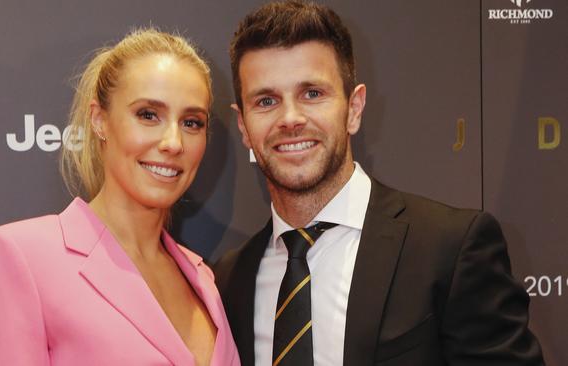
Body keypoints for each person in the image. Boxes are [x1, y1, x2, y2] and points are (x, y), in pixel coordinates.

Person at [214, 1, 545, 365]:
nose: (290, 118)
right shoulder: (230, 281)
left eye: (313, 94)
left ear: (354, 108)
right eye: (266, 100)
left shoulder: (449, 248)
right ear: (244, 126)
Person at [0, 28, 240, 366]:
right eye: (148, 115)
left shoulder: (202, 278)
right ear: (99, 120)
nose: (173, 142)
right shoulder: (19, 257)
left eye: (192, 122)